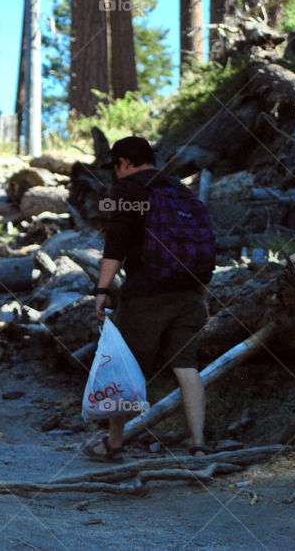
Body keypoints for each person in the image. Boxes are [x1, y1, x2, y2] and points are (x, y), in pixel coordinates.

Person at [84, 136, 214, 462]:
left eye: (115, 167)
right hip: (189, 291)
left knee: (125, 367)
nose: (115, 174)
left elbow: (116, 244)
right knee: (187, 367)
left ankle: (114, 444)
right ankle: (198, 444)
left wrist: (101, 290)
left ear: (124, 163)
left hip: (147, 293)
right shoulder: (179, 189)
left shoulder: (128, 189)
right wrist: (202, 292)